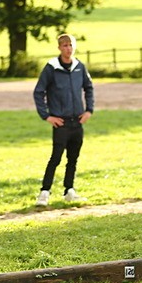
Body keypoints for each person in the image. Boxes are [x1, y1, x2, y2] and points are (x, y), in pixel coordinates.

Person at [32, 33, 94, 206]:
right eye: (65, 45)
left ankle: (69, 190)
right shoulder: (51, 68)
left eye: (71, 45)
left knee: (73, 159)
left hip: (77, 122)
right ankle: (44, 193)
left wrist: (89, 110)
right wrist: (46, 116)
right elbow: (38, 92)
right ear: (59, 47)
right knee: (56, 158)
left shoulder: (79, 67)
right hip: (61, 123)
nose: (68, 48)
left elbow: (89, 88)